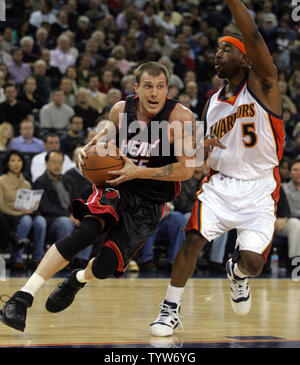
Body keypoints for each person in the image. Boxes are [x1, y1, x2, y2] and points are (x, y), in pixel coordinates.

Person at [0, 61, 198, 332]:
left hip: (151, 200)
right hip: (117, 185)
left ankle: (77, 280)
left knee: (105, 265)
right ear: (136, 88)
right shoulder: (121, 110)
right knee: (84, 232)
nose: (154, 93)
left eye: (161, 87)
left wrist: (138, 171)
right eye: (148, 87)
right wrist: (86, 149)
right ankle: (22, 296)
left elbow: (187, 168)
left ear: (168, 89)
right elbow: (101, 139)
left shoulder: (181, 118)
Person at [150, 0, 284, 337]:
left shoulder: (265, 87)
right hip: (221, 185)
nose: (218, 53)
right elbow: (205, 147)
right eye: (217, 48)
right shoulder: (212, 102)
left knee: (253, 262)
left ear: (245, 60)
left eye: (226, 48)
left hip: (260, 188)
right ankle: (169, 309)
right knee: (192, 240)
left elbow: (254, 34)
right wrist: (197, 154)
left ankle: (238, 273)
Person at [32, 150, 92, 266]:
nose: (57, 166)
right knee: (65, 223)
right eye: (54, 162)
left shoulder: (68, 180)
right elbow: (46, 208)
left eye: (60, 163)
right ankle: (62, 261)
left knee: (90, 221)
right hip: (51, 220)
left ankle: (80, 261)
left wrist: (79, 215)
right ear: (46, 163)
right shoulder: (40, 182)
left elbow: (77, 200)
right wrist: (69, 216)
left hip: (70, 217)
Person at [0, 150, 47, 270]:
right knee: (26, 220)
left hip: (25, 214)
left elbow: (30, 204)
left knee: (40, 221)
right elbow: (1, 207)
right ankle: (17, 258)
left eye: (19, 160)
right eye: (13, 160)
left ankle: (38, 258)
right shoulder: (1, 181)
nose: (16, 163)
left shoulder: (26, 184)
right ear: (7, 164)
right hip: (8, 217)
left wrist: (32, 208)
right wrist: (20, 213)